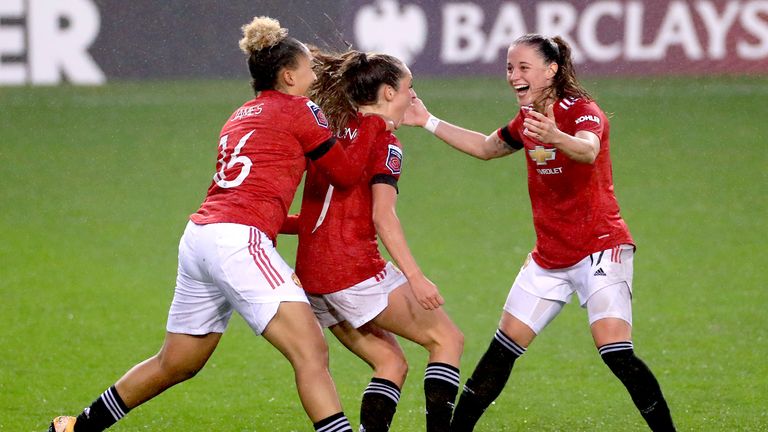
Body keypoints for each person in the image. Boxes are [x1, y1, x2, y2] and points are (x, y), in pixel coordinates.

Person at [47, 16, 373, 432]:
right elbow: (344, 176)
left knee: (178, 361)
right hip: (237, 242)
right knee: (310, 350)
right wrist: (368, 122)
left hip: (202, 238)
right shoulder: (301, 109)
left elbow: (250, 199)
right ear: (289, 76)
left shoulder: (240, 116)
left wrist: (306, 223)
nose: (315, 74)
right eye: (309, 67)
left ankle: (76, 427)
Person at [403, 34, 676, 431]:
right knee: (501, 351)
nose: (514, 75)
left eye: (523, 67)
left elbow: (587, 150)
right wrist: (426, 120)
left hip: (600, 249)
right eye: (510, 68)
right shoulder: (527, 119)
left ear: (551, 70)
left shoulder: (582, 111)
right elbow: (485, 147)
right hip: (549, 257)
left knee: (615, 351)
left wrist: (556, 137)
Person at [280, 49, 464, 432]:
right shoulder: (384, 143)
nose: (413, 96)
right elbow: (384, 216)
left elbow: (319, 214)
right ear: (387, 93)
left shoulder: (330, 128)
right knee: (447, 339)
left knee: (391, 363)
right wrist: (416, 277)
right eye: (409, 88)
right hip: (352, 273)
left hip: (313, 279)